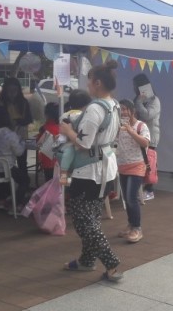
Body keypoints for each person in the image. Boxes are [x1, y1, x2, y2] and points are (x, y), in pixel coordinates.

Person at [59, 60, 123, 282]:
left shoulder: (95, 109)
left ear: (97, 83)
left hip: (89, 171)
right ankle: (87, 260)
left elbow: (83, 144)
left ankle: (111, 264)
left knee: (84, 221)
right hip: (106, 168)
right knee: (92, 216)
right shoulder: (114, 105)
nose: (87, 85)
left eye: (89, 81)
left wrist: (68, 130)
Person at [115, 99, 150, 244]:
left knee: (131, 197)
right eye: (120, 110)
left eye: (125, 109)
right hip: (122, 165)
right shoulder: (118, 126)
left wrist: (130, 131)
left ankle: (137, 228)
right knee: (126, 198)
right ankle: (130, 225)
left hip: (137, 165)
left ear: (132, 111)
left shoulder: (141, 125)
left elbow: (145, 142)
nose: (123, 112)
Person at [0, 77, 32, 196]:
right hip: (5, 138)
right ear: (5, 91)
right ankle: (7, 190)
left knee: (22, 162)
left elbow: (29, 118)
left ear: (18, 90)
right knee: (7, 163)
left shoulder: (23, 102)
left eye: (15, 91)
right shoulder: (0, 104)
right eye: (10, 91)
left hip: (20, 136)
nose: (12, 94)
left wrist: (19, 122)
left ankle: (23, 189)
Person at [0, 108, 27, 214]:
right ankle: (16, 203)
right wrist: (22, 142)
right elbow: (19, 152)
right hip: (6, 169)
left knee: (2, 179)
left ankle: (2, 200)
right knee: (24, 180)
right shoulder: (10, 135)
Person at [55, 90, 93, 185]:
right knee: (70, 151)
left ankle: (65, 173)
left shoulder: (66, 114)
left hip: (64, 141)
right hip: (71, 141)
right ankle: (64, 173)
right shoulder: (79, 115)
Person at [133, 74, 160, 201]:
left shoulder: (154, 100)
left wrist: (138, 102)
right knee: (139, 162)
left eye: (136, 86)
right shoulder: (137, 99)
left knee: (149, 162)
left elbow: (148, 115)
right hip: (138, 134)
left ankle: (149, 190)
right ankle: (139, 189)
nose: (134, 88)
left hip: (150, 135)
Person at [37, 102, 61, 183]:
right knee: (63, 184)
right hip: (62, 163)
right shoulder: (63, 128)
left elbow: (39, 144)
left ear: (46, 114)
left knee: (49, 184)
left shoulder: (44, 128)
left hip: (48, 163)